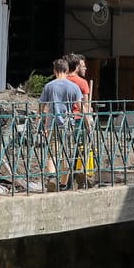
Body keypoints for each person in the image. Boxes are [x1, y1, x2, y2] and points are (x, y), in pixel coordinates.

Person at [38, 58, 85, 189]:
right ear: (66, 70)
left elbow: (41, 107)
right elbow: (81, 107)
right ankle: (63, 184)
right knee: (67, 154)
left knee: (52, 153)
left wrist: (39, 122)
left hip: (53, 124)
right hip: (68, 124)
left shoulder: (49, 86)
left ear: (54, 71)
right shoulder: (74, 87)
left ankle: (52, 178)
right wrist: (88, 122)